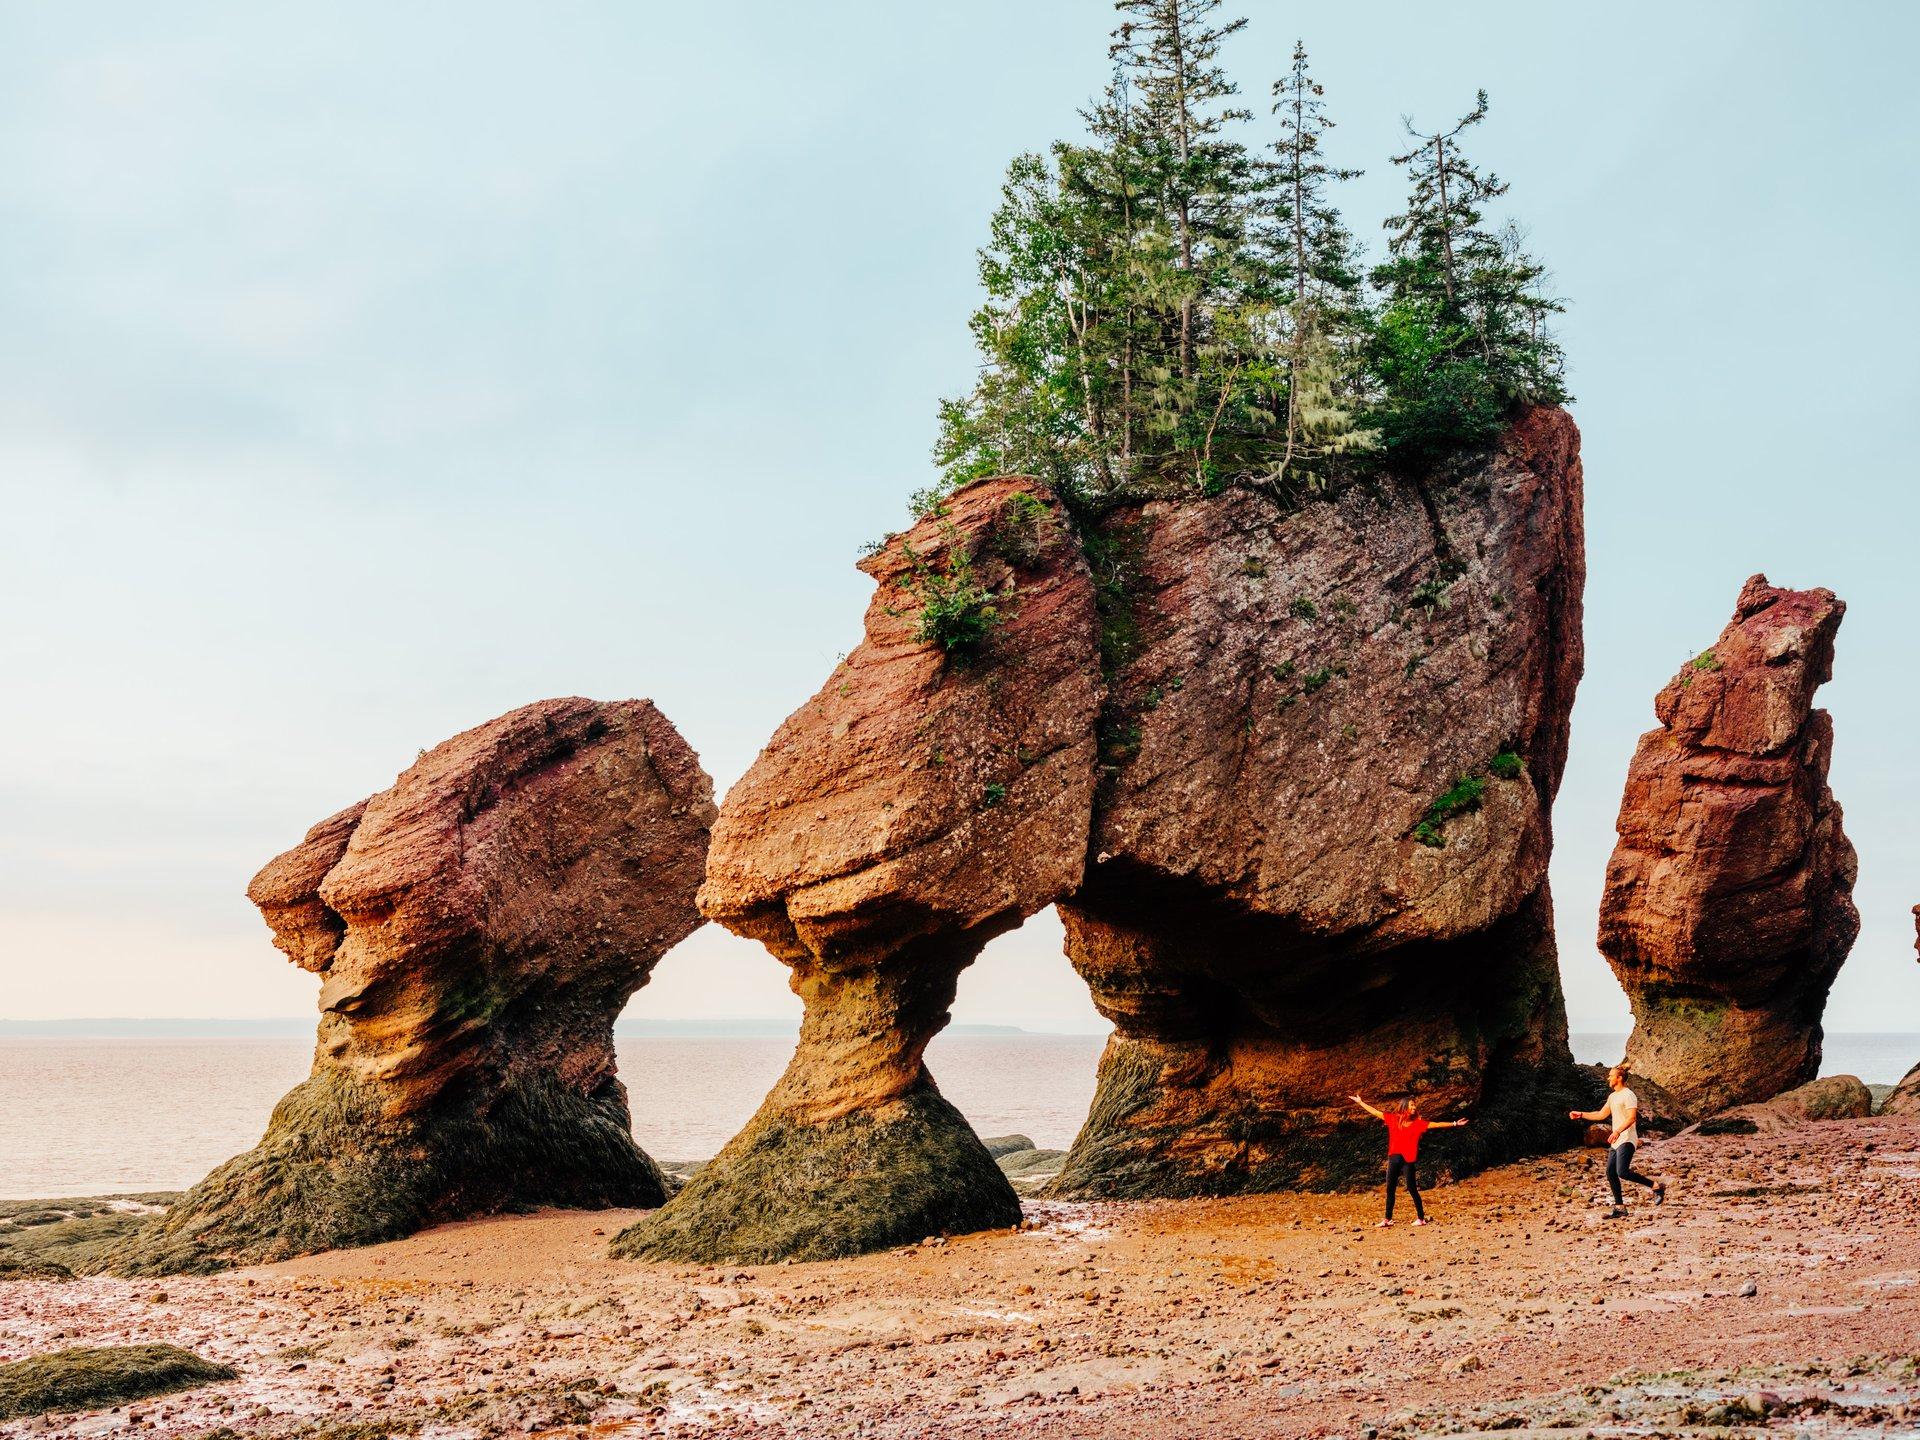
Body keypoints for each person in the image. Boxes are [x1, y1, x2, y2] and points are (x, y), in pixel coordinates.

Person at [1350, 1093, 1468, 1227]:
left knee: (1412, 1189)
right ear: (1405, 1107)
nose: (1414, 1107)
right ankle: (1387, 1219)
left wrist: (1454, 1123)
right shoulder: (1393, 1119)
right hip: (1394, 1158)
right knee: (1390, 1189)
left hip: (1408, 1160)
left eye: (1414, 1105)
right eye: (1412, 1105)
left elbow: (1436, 1124)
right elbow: (1375, 1112)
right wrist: (1360, 1102)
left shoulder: (1417, 1124)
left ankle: (1421, 1218)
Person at [1570, 1065, 1667, 1218]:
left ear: (1619, 1078)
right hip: (1616, 1140)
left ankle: (1656, 1186)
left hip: (1627, 1138)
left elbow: (1632, 1118)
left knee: (1622, 1172)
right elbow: (1601, 1114)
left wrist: (1616, 1131)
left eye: (1611, 1075)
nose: (1608, 1078)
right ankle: (1620, 1207)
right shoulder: (1613, 1096)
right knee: (1610, 1172)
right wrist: (1581, 1114)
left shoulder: (1628, 1095)